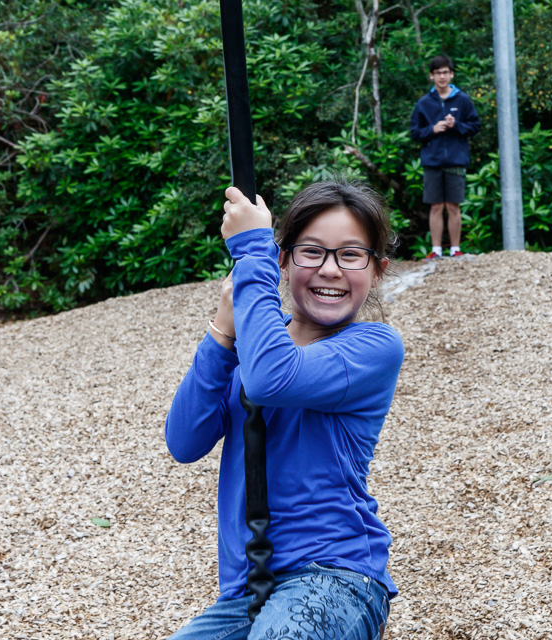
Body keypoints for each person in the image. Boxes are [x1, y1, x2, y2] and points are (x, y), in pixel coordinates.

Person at [164, 179, 404, 640]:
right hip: (245, 594)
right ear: (284, 260)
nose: (330, 269)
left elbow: (273, 378)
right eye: (311, 252)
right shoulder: (255, 350)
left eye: (351, 255)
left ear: (377, 271)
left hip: (334, 577)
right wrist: (222, 333)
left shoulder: (373, 347)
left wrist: (251, 248)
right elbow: (184, 440)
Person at [410, 54, 481, 260]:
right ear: (431, 76)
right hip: (432, 162)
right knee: (436, 206)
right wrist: (433, 129)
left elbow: (475, 126)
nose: (442, 76)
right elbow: (415, 133)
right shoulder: (424, 103)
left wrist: (455, 125)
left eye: (445, 72)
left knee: (453, 206)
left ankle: (455, 249)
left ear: (451, 74)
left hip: (456, 160)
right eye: (438, 73)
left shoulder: (463, 100)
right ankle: (436, 250)